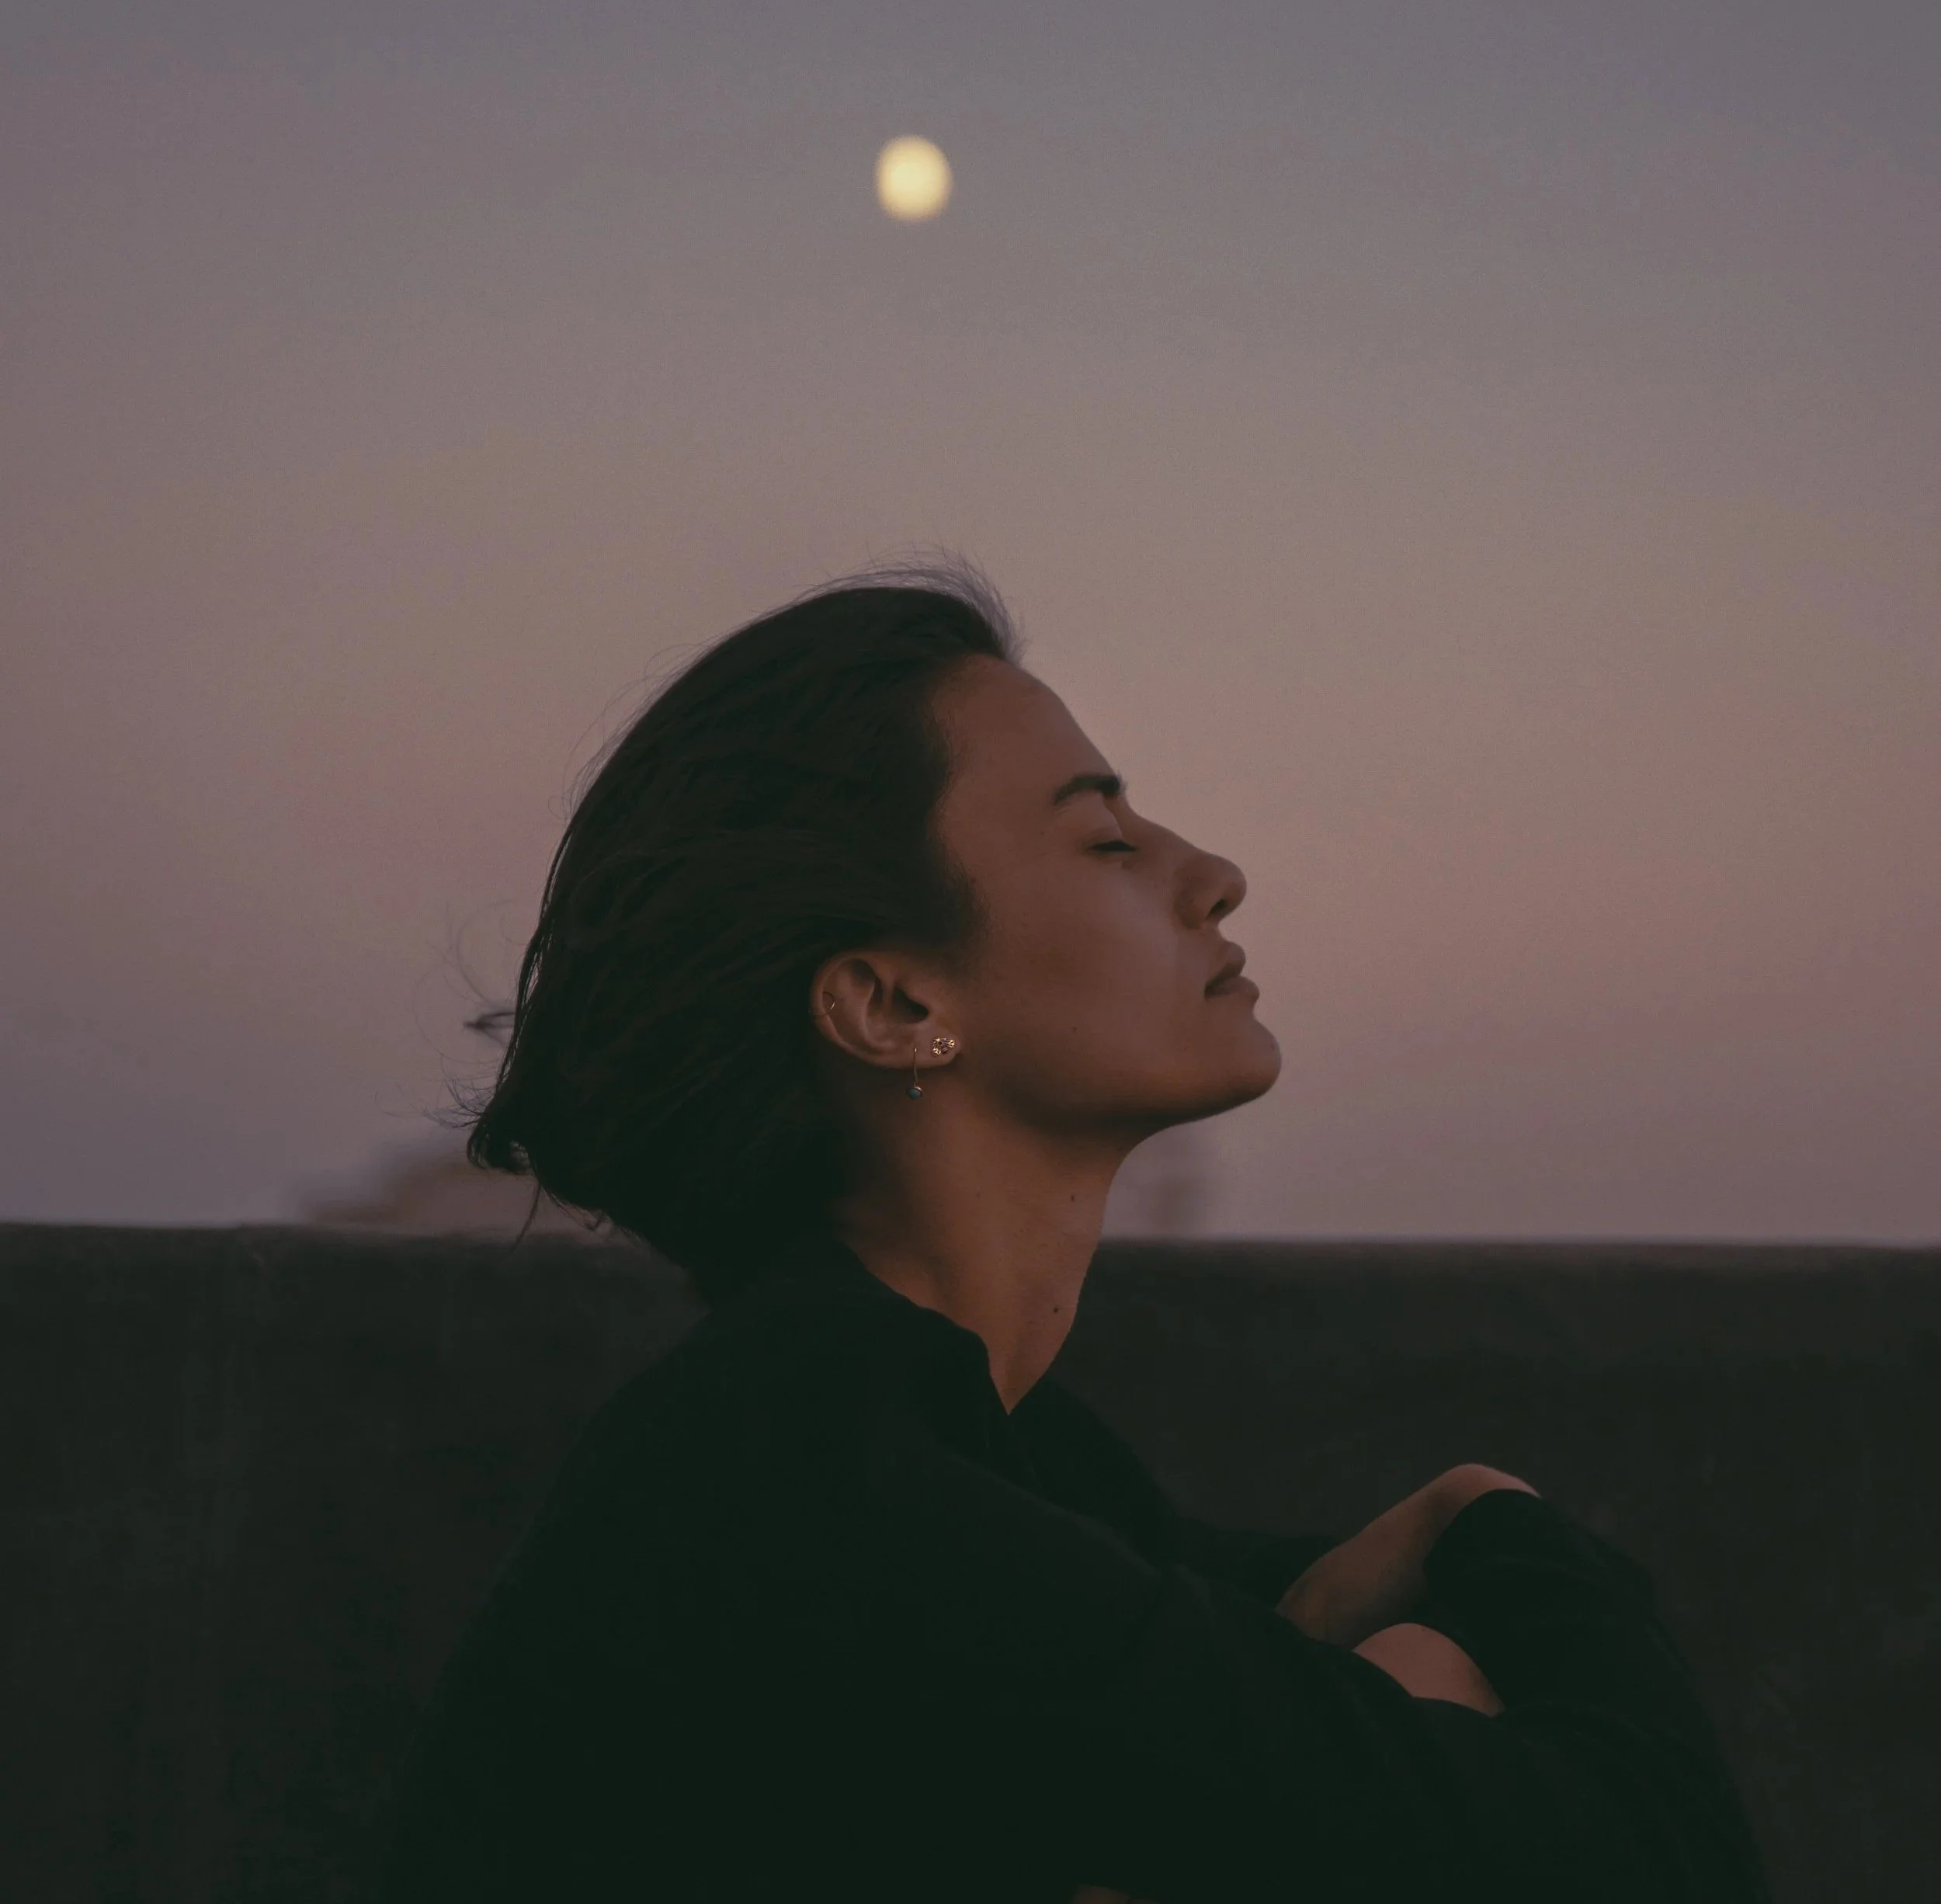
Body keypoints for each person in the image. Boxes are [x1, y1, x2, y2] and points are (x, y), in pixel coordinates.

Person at [374, 560, 1772, 1902]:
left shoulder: (981, 1450)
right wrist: (1485, 1509)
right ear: (896, 1008)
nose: (1213, 871)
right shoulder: (822, 1488)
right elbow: (1652, 1861)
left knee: (1408, 1675)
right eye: (1107, 840)